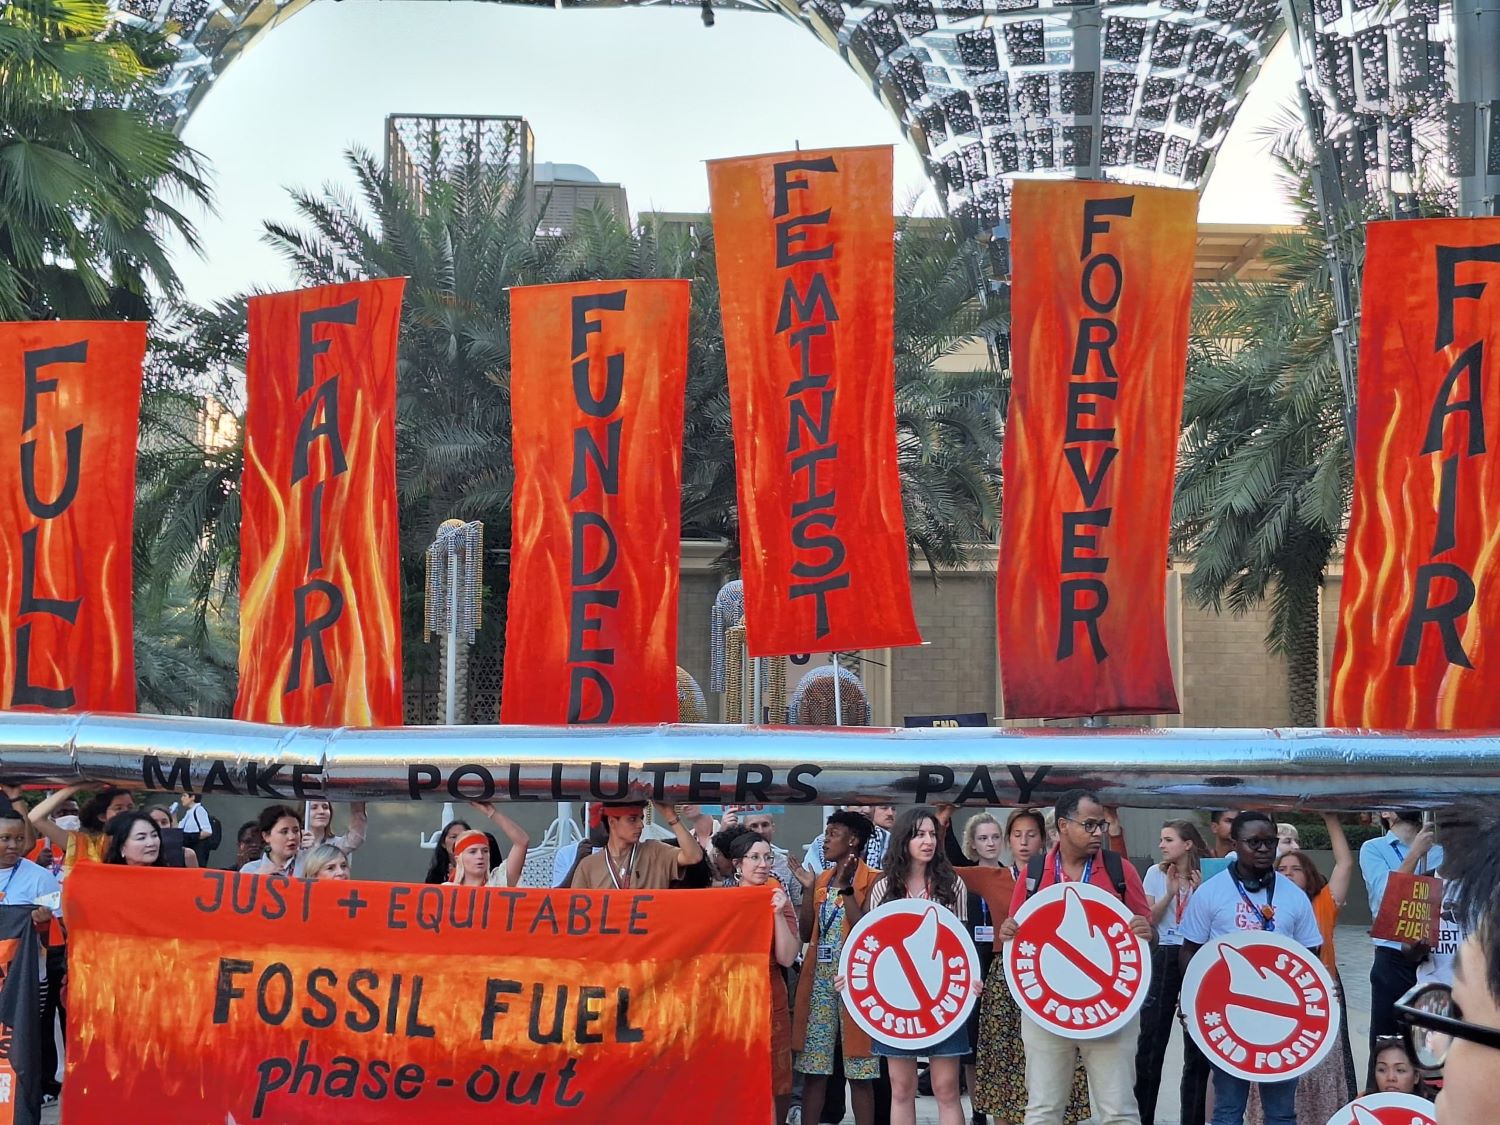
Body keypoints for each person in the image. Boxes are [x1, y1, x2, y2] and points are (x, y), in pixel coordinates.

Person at [997, 791, 1151, 1125]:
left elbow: (1144, 938)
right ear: (1063, 826)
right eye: (1090, 825)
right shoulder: (1035, 872)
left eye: (1102, 825)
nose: (1098, 832)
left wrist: (1144, 930)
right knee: (1043, 1109)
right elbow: (1017, 936)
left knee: (1118, 1111)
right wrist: (1009, 931)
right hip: (1047, 1007)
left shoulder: (1119, 870)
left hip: (1109, 1009)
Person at [1180, 811, 1323, 1125]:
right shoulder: (1210, 893)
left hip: (1282, 1020)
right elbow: (1190, 950)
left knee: (1282, 1113)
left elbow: (1311, 955)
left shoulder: (1294, 896)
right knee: (1228, 1110)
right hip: (1231, 1018)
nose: (1262, 849)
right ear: (1235, 844)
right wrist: (1189, 1000)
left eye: (1268, 842)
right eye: (1253, 842)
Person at [974, 809, 1090, 1125]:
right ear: (1008, 840)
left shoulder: (1063, 877)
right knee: (1006, 1062)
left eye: (1031, 834)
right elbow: (943, 867)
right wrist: (943, 819)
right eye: (1017, 835)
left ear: (1045, 838)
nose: (1024, 842)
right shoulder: (993, 876)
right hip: (1006, 977)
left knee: (1059, 1058)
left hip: (1055, 974)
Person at [865, 805, 968, 1125]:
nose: (927, 841)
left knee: (946, 1088)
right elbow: (870, 950)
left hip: (944, 998)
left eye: (932, 834)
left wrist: (970, 982)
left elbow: (963, 948)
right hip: (896, 999)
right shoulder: (883, 888)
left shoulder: (953, 885)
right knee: (902, 1088)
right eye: (919, 834)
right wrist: (853, 982)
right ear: (903, 840)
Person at [1251, 813, 1357, 1122]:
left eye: (1296, 869)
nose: (1288, 873)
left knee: (1321, 1068)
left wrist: (1330, 818)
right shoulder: (1263, 906)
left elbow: (1345, 864)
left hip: (1320, 996)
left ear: (1309, 874)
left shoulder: (1324, 901)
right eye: (1281, 869)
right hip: (1277, 999)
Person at [794, 811, 880, 1125]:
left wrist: (846, 888)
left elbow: (867, 931)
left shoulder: (874, 879)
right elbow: (805, 933)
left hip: (857, 983)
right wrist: (806, 891)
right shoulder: (821, 880)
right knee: (814, 1070)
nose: (825, 840)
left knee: (860, 1070)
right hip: (820, 982)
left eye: (833, 833)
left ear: (853, 840)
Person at [721, 828, 801, 1123]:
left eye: (767, 857)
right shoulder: (721, 899)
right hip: (731, 996)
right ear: (737, 864)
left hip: (770, 992)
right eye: (754, 857)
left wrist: (778, 914)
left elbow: (787, 956)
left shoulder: (778, 898)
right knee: (733, 1074)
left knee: (771, 1074)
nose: (763, 864)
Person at [1134, 819, 1210, 1125]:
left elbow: (1213, 916)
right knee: (1152, 1039)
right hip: (1164, 950)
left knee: (1197, 1042)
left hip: (1197, 950)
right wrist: (1169, 894)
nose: (1162, 845)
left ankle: (1191, 1118)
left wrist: (1202, 890)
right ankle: (1142, 1117)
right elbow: (1148, 918)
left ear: (1187, 843)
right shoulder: (1155, 873)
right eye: (1162, 839)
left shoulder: (1207, 872)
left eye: (1168, 839)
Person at [1361, 809, 1442, 1066]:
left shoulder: (1442, 851)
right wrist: (1415, 853)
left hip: (1435, 958)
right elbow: (1387, 897)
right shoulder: (1373, 848)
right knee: (1387, 1042)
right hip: (1392, 958)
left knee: (1431, 1045)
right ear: (1385, 811)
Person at [954, 813, 1010, 1125]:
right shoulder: (964, 876)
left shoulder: (1015, 875)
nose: (990, 843)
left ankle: (1004, 1108)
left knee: (1000, 1044)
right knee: (973, 1043)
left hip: (1003, 963)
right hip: (974, 963)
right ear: (973, 845)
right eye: (983, 838)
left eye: (994, 837)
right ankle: (978, 1113)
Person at [569, 801, 703, 889]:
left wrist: (670, 816)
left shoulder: (655, 852)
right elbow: (577, 909)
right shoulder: (588, 866)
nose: (640, 825)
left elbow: (694, 856)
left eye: (641, 818)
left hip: (650, 931)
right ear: (612, 822)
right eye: (632, 819)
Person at [30, 784, 134, 873]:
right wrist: (75, 787)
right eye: (118, 808)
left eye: (130, 807)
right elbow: (35, 818)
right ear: (102, 816)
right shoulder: (86, 846)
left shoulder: (149, 840)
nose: (126, 812)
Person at [741, 809, 806, 907]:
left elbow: (796, 908)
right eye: (754, 826)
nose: (760, 831)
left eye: (765, 825)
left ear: (773, 828)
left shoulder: (787, 864)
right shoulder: (737, 861)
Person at [239, 805, 304, 877]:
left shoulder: (310, 865)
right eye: (284, 832)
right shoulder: (249, 870)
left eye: (296, 831)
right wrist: (256, 880)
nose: (292, 837)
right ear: (266, 836)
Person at [1364, 1036, 1431, 1099]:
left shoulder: (1435, 1108)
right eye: (1382, 1070)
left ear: (1416, 1077)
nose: (1390, 1078)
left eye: (1400, 1070)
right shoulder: (1361, 1105)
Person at [103, 812, 169, 867]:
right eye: (141, 838)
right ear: (121, 848)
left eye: (154, 835)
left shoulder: (171, 875)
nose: (151, 843)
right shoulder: (106, 879)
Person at [426, 819, 472, 884]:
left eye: (463, 836)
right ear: (443, 843)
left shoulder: (478, 871)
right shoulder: (436, 873)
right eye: (453, 837)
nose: (458, 840)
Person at [178, 791, 213, 865]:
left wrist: (192, 838)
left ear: (192, 797)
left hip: (196, 852)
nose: (182, 799)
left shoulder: (199, 810)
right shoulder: (189, 812)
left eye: (184, 796)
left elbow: (208, 831)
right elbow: (178, 829)